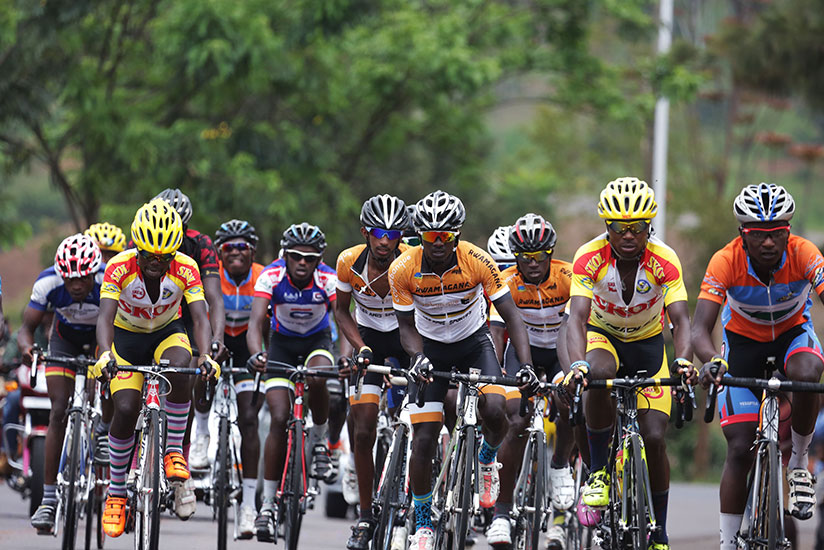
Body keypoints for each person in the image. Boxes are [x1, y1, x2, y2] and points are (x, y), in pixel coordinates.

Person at [388, 190, 534, 550]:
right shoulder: (402, 269)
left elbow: (512, 316)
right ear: (420, 235)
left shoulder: (478, 261)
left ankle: (486, 459)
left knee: (498, 410)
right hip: (430, 348)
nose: (438, 243)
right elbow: (405, 327)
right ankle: (423, 523)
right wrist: (418, 357)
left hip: (474, 343)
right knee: (423, 438)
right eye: (430, 236)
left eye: (446, 235)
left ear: (457, 234)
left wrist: (527, 366)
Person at [691, 183, 824, 550]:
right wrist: (711, 361)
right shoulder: (725, 260)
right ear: (742, 235)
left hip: (792, 338)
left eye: (777, 234)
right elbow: (700, 327)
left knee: (809, 373)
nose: (768, 243)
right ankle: (728, 543)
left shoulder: (805, 254)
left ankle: (798, 463)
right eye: (758, 235)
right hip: (742, 347)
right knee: (738, 448)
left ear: (788, 232)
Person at [564, 177, 695, 550]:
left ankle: (660, 531)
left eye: (636, 228)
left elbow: (681, 320)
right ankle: (600, 474)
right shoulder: (589, 257)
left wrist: (684, 361)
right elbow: (576, 318)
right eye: (619, 228)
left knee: (654, 438)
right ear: (607, 227)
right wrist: (577, 365)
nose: (627, 236)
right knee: (599, 373)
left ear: (647, 227)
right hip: (602, 337)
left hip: (648, 346)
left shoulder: (664, 260)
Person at [92, 199, 219, 538]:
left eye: (164, 258)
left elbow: (199, 316)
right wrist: (106, 354)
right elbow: (104, 317)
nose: (156, 263)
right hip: (126, 338)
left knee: (182, 365)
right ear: (137, 249)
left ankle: (174, 450)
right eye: (149, 256)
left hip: (167, 333)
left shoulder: (186, 267)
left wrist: (205, 355)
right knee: (125, 407)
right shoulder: (118, 267)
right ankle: (117, 494)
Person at [487, 213, 574, 548]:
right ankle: (501, 515)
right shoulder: (505, 280)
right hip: (521, 350)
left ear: (550, 253)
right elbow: (497, 332)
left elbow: (573, 326)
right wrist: (497, 377)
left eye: (539, 257)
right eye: (525, 257)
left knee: (567, 401)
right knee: (516, 419)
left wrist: (568, 372)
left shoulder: (568, 276)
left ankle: (559, 465)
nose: (533, 263)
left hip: (559, 349)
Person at [247, 222, 338, 542]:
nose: (302, 263)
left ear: (319, 260)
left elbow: (343, 317)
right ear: (285, 256)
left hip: (317, 342)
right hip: (282, 346)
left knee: (318, 377)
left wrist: (349, 356)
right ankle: (268, 506)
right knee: (279, 418)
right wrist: (257, 353)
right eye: (296, 256)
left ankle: (321, 441)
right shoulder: (271, 276)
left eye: (310, 258)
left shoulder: (328, 278)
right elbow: (256, 323)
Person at [335, 194, 411, 549]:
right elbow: (341, 311)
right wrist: (358, 347)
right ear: (366, 231)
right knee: (363, 429)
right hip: (368, 339)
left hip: (408, 337)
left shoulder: (413, 259)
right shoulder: (348, 261)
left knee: (423, 418)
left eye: (393, 233)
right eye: (378, 232)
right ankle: (365, 516)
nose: (385, 240)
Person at [23, 234, 104, 534]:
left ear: (93, 272)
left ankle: (104, 435)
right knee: (58, 409)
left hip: (101, 340)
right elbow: (26, 329)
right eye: (69, 279)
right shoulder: (47, 283)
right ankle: (47, 501)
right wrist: (27, 349)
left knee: (108, 394)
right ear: (60, 274)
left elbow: (123, 325)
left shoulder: (110, 280)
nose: (77, 285)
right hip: (64, 341)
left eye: (82, 277)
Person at [152, 188, 226, 518]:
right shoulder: (141, 238)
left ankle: (179, 466)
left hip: (186, 318)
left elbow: (214, 298)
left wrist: (215, 340)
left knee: (189, 377)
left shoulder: (201, 245)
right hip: (145, 318)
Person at [213, 219, 265, 538]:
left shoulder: (261, 277)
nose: (235, 252)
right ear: (219, 253)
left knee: (249, 418)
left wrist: (264, 357)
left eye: (241, 247)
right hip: (218, 340)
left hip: (248, 344)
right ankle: (200, 440)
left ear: (252, 251)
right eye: (228, 247)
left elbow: (268, 322)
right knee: (197, 388)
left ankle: (248, 505)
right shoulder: (212, 277)